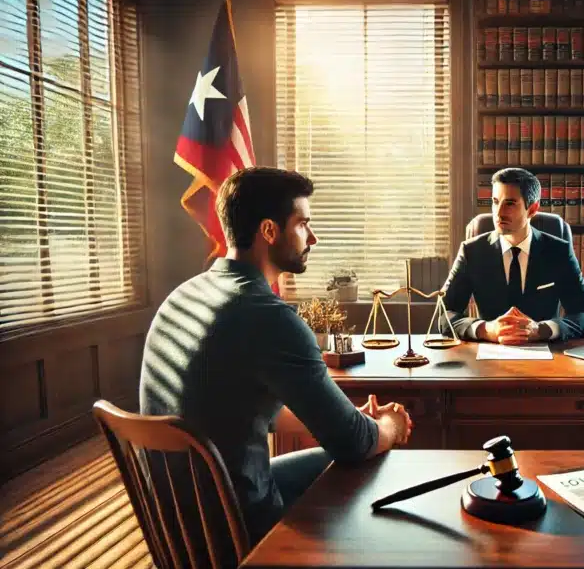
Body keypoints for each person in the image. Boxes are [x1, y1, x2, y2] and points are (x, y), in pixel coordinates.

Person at [139, 167, 412, 543]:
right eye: (302, 224)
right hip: (236, 526)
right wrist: (390, 426)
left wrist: (347, 419)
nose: (312, 237)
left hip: (180, 520)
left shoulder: (183, 297)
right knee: (375, 460)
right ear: (269, 230)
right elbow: (353, 444)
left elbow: (239, 408)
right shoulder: (269, 317)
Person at [442, 167, 584, 344]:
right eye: (495, 201)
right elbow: (444, 314)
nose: (499, 213)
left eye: (510, 203)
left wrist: (542, 330)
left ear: (532, 209)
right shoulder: (472, 252)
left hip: (547, 357)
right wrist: (486, 329)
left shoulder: (558, 252)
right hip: (489, 357)